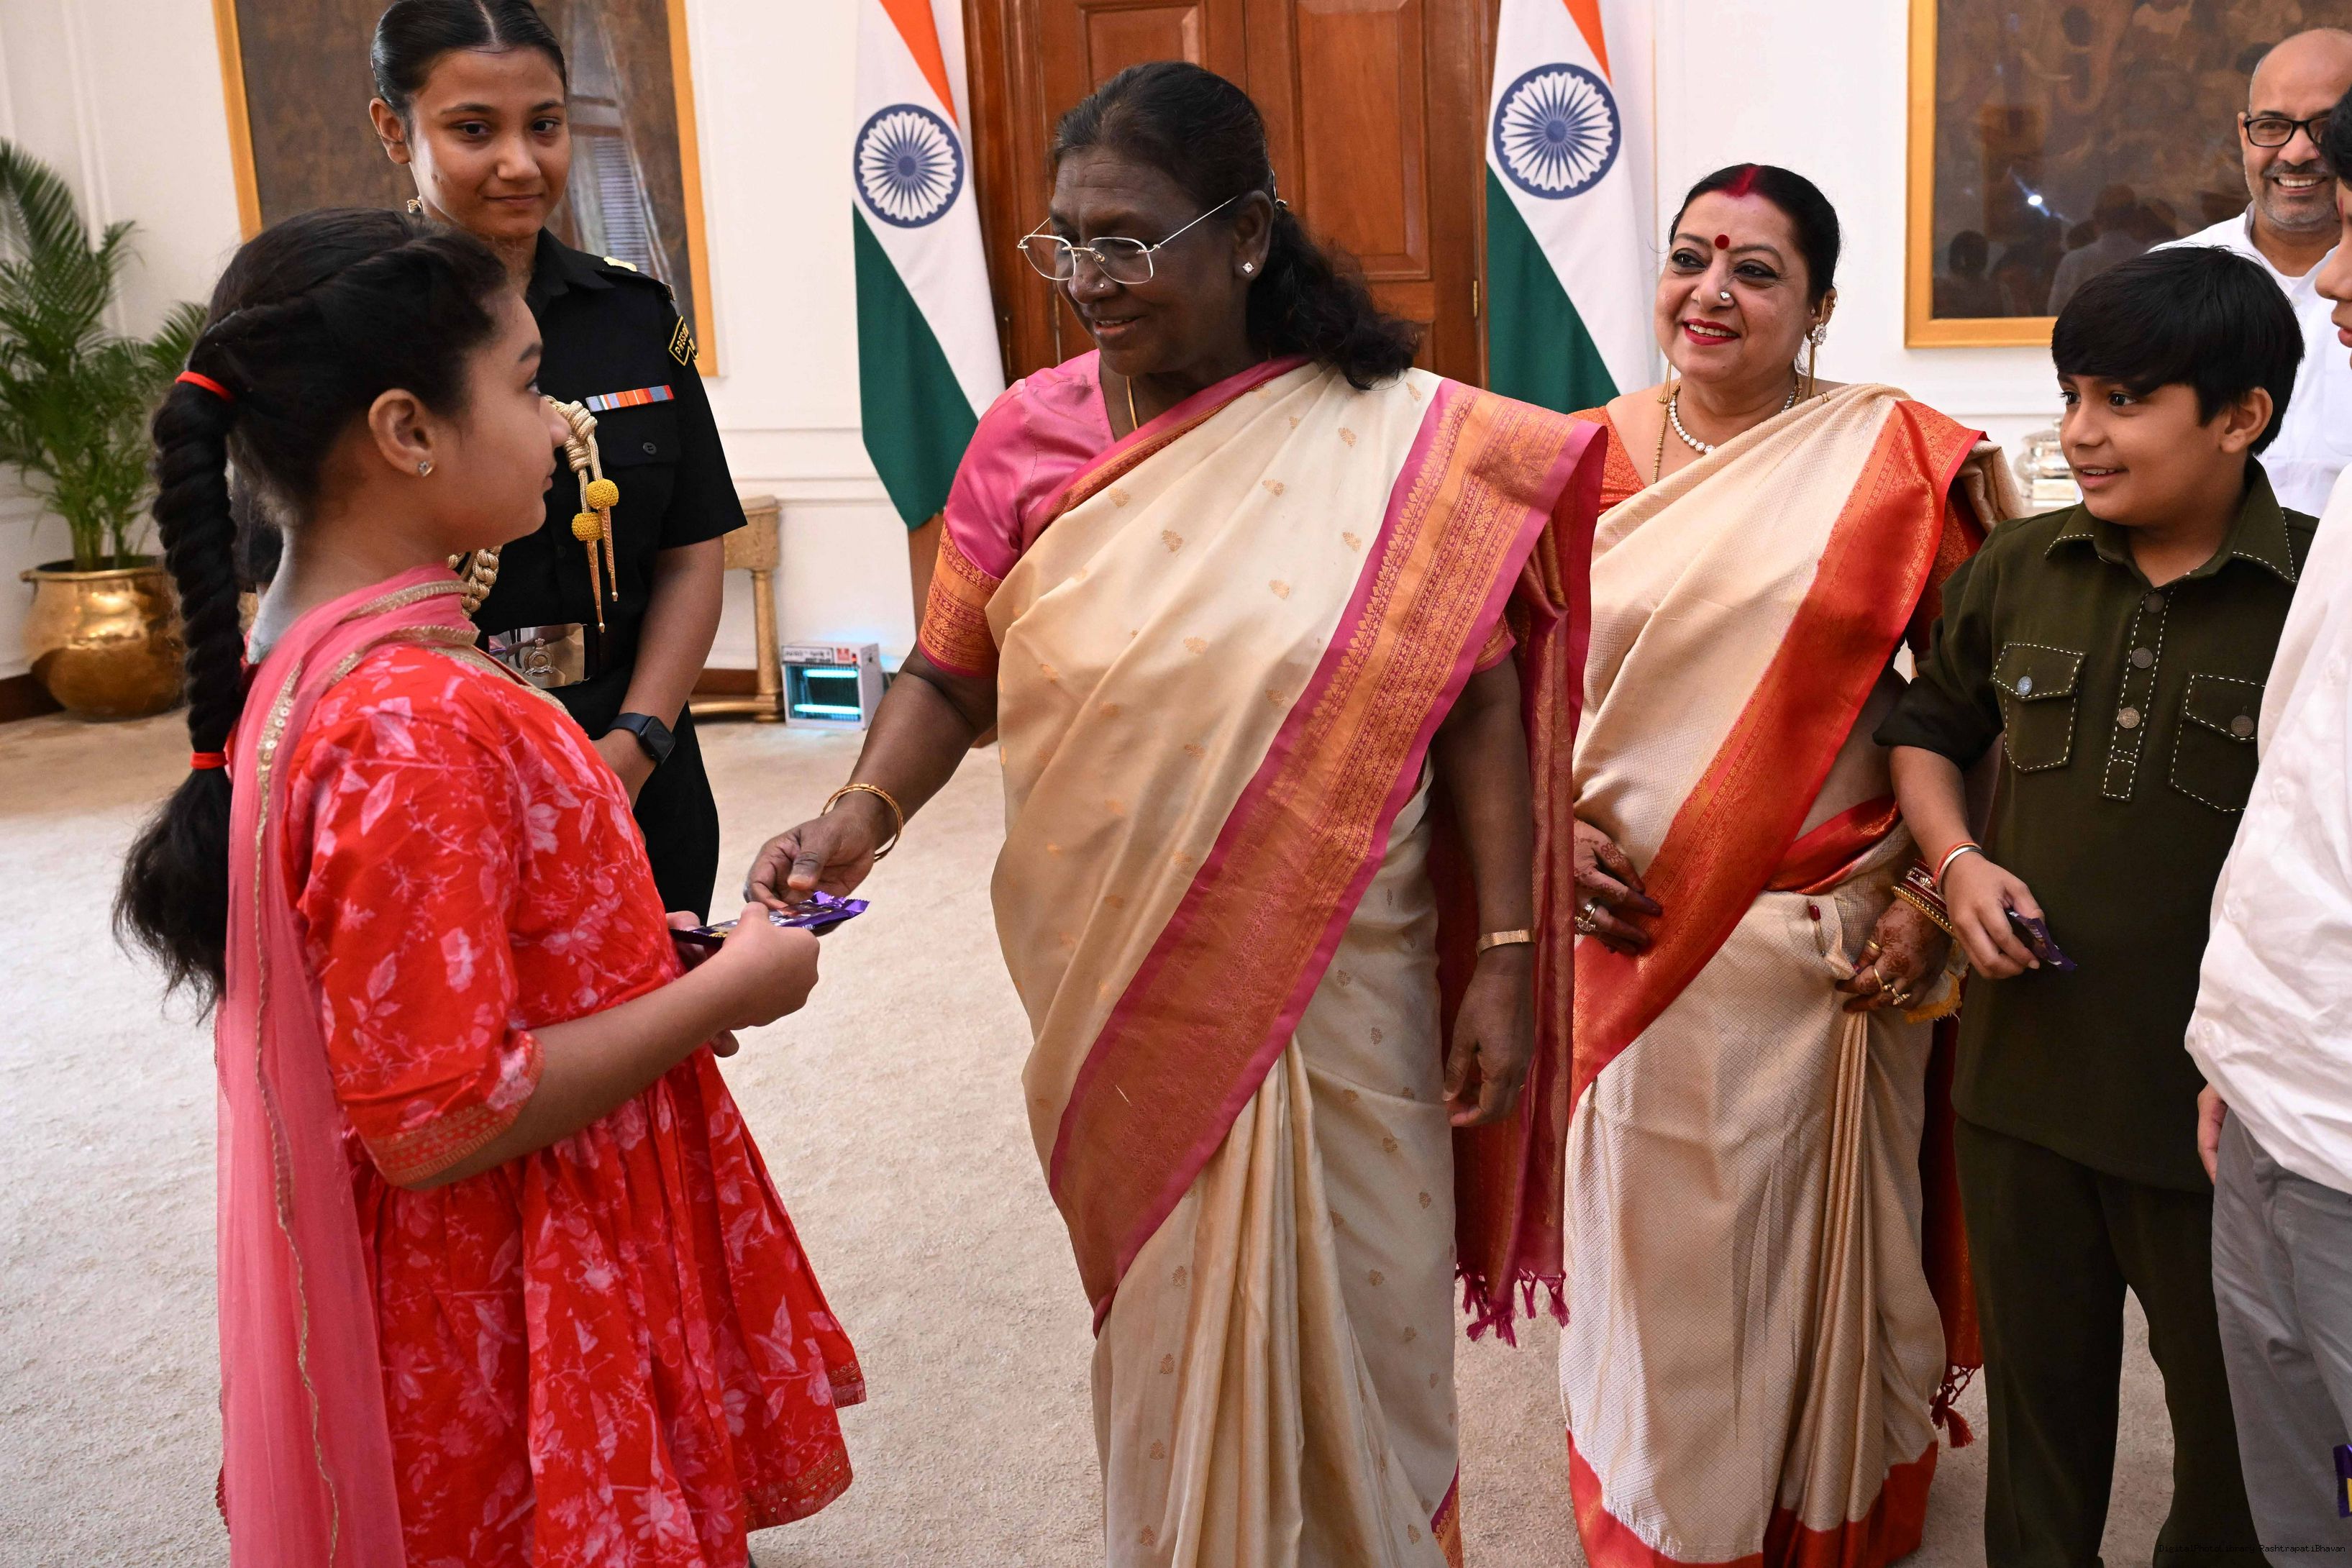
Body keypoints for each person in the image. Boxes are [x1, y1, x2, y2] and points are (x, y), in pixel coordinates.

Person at [744, 60, 1600, 1568]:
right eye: (1065, 242)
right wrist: (860, 809)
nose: (1089, 279)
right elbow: (948, 669)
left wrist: (1510, 955)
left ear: (1248, 233)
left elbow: (1477, 700)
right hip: (1121, 974)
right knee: (1168, 1315)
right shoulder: (1025, 439)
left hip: (1347, 970)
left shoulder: (1399, 438)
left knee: (1371, 1318)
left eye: (1129, 240)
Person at [113, 207, 862, 1567]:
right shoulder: (417, 722)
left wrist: (630, 955)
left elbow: (429, 964)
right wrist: (727, 993)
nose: (562, 427)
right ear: (408, 432)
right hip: (507, 1281)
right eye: (527, 387)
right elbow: (440, 1115)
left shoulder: (330, 665)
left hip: (505, 1237)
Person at [1559, 162, 2011, 1566]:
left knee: (1819, 1251)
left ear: (1819, 305)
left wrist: (1933, 895)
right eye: (1689, 257)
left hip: (1838, 937)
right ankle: (1663, 1515)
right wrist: (1545, 832)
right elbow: (1503, 693)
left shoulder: (1897, 461)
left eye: (1756, 271)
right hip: (1634, 931)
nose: (1711, 291)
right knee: (1658, 1258)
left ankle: (1828, 1509)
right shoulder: (1568, 460)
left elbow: (1986, 704)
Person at [1879, 246, 2297, 1567]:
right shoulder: (2019, 566)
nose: (2079, 432)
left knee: (2234, 1444)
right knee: (2041, 1423)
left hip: (2217, 1112)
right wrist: (1956, 862)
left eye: (2123, 399)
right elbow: (1925, 731)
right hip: (2020, 1090)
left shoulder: (2317, 599)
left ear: (2240, 417)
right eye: (2071, 395)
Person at [368, 0, 741, 919]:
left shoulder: (633, 316)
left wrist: (637, 742)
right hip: (439, 764)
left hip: (635, 749)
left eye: (544, 125)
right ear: (394, 129)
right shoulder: (348, 330)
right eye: (473, 130)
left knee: (664, 987)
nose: (521, 164)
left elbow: (690, 548)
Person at [2186, 87, 2352, 1552]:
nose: (2335, 273)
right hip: (2272, 1097)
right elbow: (2304, 783)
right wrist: (2242, 1043)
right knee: (2302, 1515)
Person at [2160, 27, 2352, 516]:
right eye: (2272, 126)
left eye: (2326, 127)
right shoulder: (2166, 280)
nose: (2296, 153)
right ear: (2243, 132)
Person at [2046, 185, 2151, 315]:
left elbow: (2055, 312)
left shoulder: (2073, 262)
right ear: (2135, 217)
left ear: (2097, 217)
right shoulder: (2154, 259)